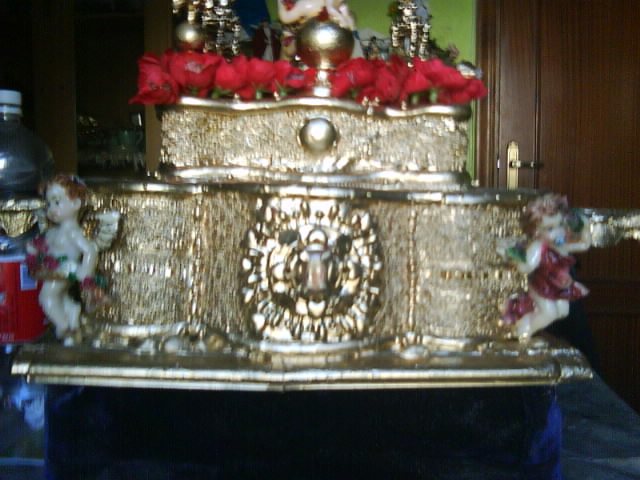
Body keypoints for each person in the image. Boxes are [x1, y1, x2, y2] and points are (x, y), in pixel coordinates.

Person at [503, 194, 591, 338]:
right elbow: (527, 267)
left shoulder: (560, 245)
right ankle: (523, 331)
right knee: (550, 313)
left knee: (563, 311)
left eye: (560, 225)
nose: (558, 232)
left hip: (558, 285)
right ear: (537, 231)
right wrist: (515, 258)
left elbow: (584, 245)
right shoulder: (538, 247)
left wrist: (585, 227)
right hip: (541, 285)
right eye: (550, 229)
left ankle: (527, 322)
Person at [26, 174, 98, 343]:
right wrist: (35, 248)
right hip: (54, 270)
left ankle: (64, 327)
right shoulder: (56, 230)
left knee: (46, 297)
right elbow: (47, 244)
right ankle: (72, 313)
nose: (51, 209)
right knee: (60, 296)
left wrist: (85, 272)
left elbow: (90, 250)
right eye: (49, 204)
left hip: (66, 270)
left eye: (57, 202)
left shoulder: (73, 232)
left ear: (75, 204)